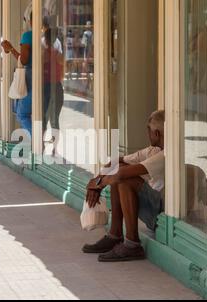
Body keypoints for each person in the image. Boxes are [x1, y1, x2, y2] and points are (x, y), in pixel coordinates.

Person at [82, 111, 165, 262]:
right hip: (152, 206)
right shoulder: (153, 150)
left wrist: (98, 186)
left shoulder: (165, 155)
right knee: (119, 169)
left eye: (149, 131)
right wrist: (98, 178)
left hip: (160, 213)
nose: (147, 134)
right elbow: (116, 162)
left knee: (123, 179)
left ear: (157, 133)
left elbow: (120, 175)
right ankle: (115, 235)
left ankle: (132, 244)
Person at [1, 12, 33, 137]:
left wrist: (11, 48)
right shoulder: (52, 38)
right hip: (49, 79)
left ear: (30, 21)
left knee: (22, 114)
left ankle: (38, 142)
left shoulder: (28, 36)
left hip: (31, 77)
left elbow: (24, 60)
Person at [42, 27, 64, 143]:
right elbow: (62, 72)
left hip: (47, 87)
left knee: (44, 117)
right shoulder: (59, 54)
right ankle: (55, 146)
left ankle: (40, 143)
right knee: (54, 118)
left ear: (45, 39)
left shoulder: (43, 54)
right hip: (58, 87)